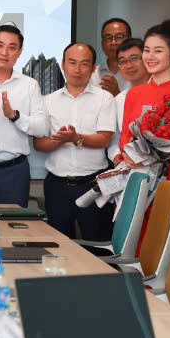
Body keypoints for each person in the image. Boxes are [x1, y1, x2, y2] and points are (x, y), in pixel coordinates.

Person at [116, 20, 170, 255]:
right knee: (136, 239)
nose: (150, 57)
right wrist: (127, 154)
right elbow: (125, 135)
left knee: (167, 239)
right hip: (139, 175)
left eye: (158, 51)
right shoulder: (134, 93)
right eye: (147, 50)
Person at [34, 43, 116, 240]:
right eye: (72, 62)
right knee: (60, 245)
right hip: (57, 186)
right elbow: (39, 144)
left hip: (94, 185)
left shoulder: (105, 99)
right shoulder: (48, 101)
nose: (77, 69)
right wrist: (60, 141)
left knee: (97, 245)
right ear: (63, 64)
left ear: (93, 67)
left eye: (84, 64)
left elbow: (105, 139)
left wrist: (76, 138)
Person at [0, 24, 47, 207]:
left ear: (19, 52)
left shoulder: (29, 85)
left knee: (13, 222)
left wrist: (15, 116)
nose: (4, 52)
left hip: (15, 172)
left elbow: (42, 127)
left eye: (12, 47)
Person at [107, 38, 149, 162]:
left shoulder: (165, 93)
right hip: (129, 166)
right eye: (123, 61)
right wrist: (116, 156)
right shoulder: (118, 100)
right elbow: (114, 140)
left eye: (134, 58)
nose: (129, 65)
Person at [90, 18, 132, 97]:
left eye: (119, 37)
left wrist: (117, 94)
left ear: (130, 41)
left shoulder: (139, 74)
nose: (113, 42)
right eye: (108, 38)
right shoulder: (92, 75)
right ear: (102, 44)